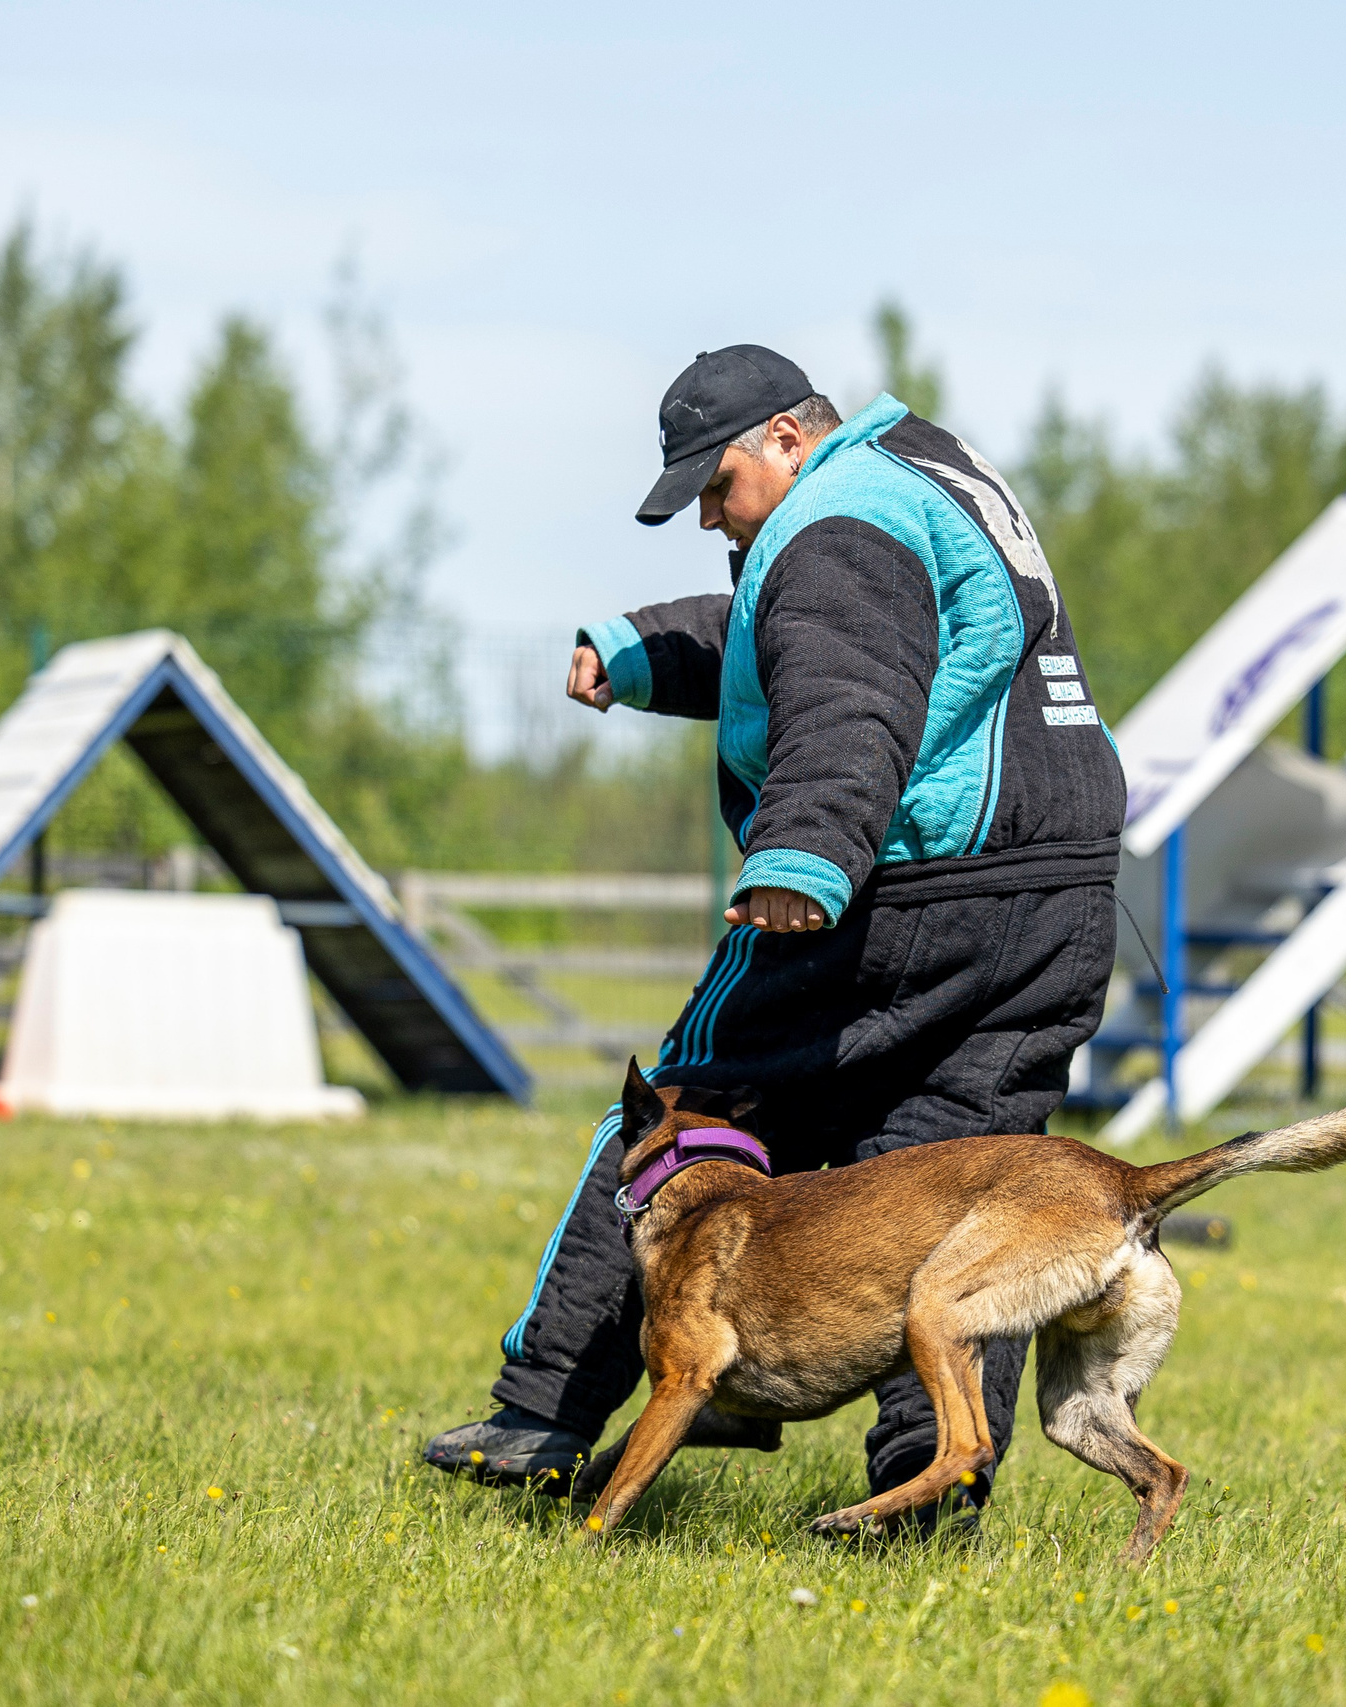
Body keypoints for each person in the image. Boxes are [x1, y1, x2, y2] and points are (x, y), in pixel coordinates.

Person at [424, 343, 1124, 1526]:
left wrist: (802, 855)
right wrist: (642, 651)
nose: (709, 514)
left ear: (790, 441)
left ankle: (540, 1418)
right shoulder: (922, 477)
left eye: (718, 485)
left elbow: (848, 689)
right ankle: (926, 1491)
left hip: (900, 891)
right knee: (951, 1192)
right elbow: (788, 629)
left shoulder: (839, 528)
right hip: (1050, 898)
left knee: (675, 1115)